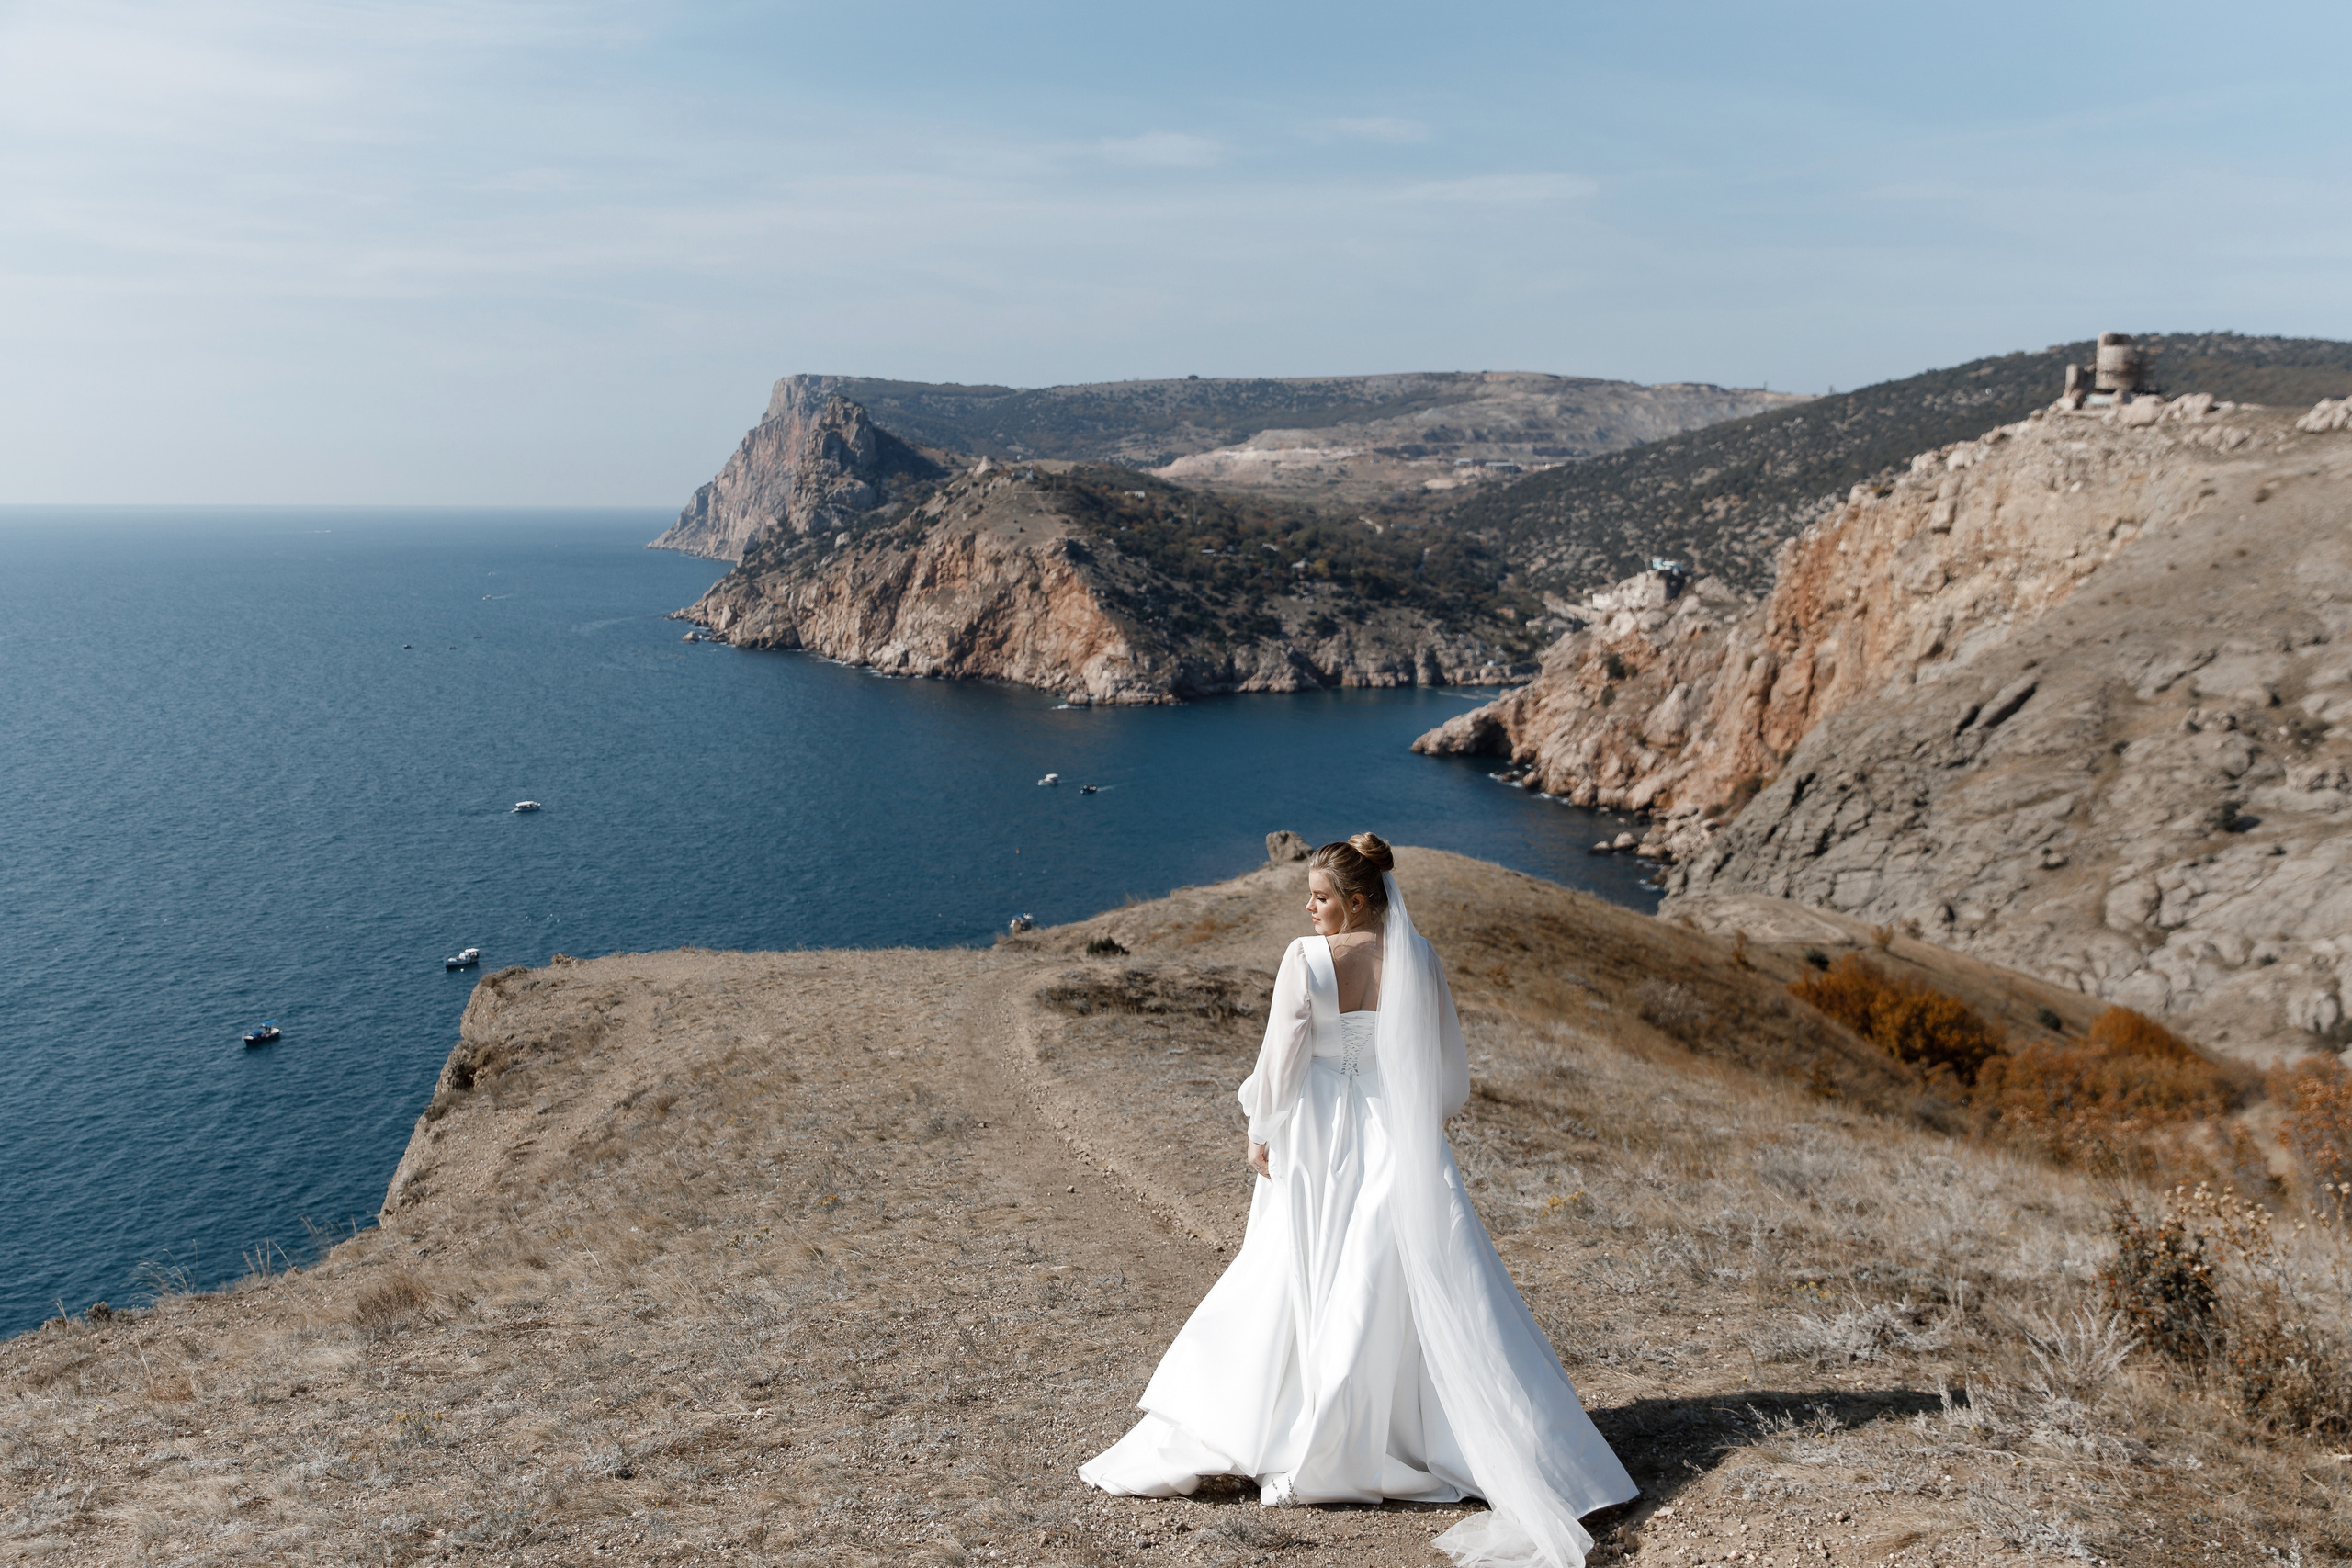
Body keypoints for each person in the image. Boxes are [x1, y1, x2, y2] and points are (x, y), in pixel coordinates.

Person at [1079, 833, 1636, 1568]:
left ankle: (1291, 1427)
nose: (1309, 908)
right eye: (1310, 896)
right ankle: (1427, 1433)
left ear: (1358, 898)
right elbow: (1447, 1071)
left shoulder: (1305, 960)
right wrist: (1419, 1118)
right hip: (1394, 1135)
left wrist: (1260, 1128)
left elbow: (1278, 1062)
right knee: (1396, 1278)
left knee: (1298, 1266)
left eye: (1321, 897)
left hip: (1314, 1137)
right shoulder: (1420, 957)